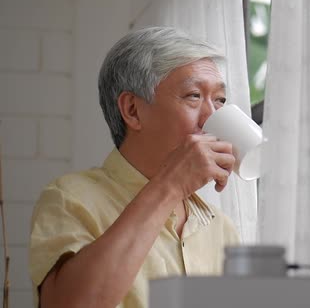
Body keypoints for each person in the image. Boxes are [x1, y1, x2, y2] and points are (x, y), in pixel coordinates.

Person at [28, 27, 240, 308]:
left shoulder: (219, 226)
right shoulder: (71, 197)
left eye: (220, 100)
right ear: (132, 110)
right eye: (193, 96)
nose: (212, 118)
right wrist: (171, 186)